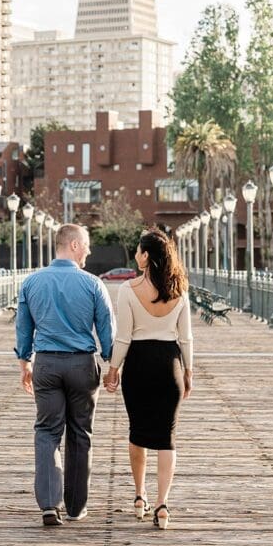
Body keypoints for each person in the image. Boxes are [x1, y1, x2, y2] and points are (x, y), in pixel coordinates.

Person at [15, 223, 115, 527]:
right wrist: (112, 364)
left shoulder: (32, 282)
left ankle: (48, 504)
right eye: (85, 244)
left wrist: (25, 363)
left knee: (47, 431)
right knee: (80, 433)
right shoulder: (93, 284)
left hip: (45, 364)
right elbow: (107, 328)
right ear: (72, 245)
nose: (88, 251)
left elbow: (23, 327)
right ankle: (75, 507)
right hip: (82, 365)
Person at [103, 227, 193, 530]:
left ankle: (139, 496)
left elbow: (123, 337)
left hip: (139, 364)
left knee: (137, 431)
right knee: (167, 437)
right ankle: (162, 504)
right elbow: (187, 338)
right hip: (170, 365)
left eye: (139, 251)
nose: (137, 255)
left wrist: (113, 369)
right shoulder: (179, 289)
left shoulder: (128, 290)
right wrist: (189, 371)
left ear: (145, 256)